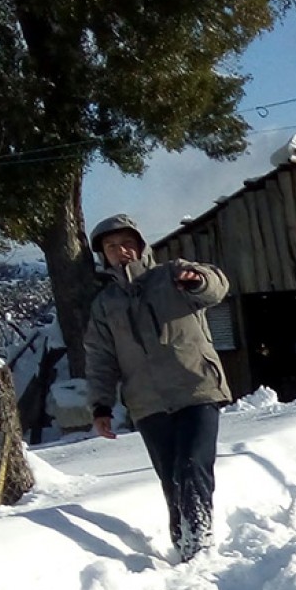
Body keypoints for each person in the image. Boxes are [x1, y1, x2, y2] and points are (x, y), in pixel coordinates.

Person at [84, 214, 232, 561]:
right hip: (147, 401)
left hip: (196, 387)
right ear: (102, 256)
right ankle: (182, 541)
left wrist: (196, 281)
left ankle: (200, 537)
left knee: (192, 464)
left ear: (139, 245)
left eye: (126, 243)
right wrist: (101, 406)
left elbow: (217, 286)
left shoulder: (171, 274)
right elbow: (100, 358)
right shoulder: (105, 305)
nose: (120, 251)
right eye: (110, 247)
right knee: (170, 476)